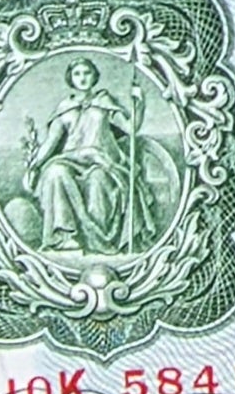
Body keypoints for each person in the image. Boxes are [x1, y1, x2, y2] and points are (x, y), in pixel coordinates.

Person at [24, 58, 158, 256]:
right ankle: (65, 236)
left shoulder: (104, 103)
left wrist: (140, 103)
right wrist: (33, 167)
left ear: (94, 76)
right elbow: (50, 144)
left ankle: (99, 241)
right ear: (71, 78)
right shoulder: (65, 107)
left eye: (87, 73)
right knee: (55, 172)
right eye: (77, 74)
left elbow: (131, 128)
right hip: (72, 160)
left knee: (98, 179)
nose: (82, 78)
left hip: (102, 161)